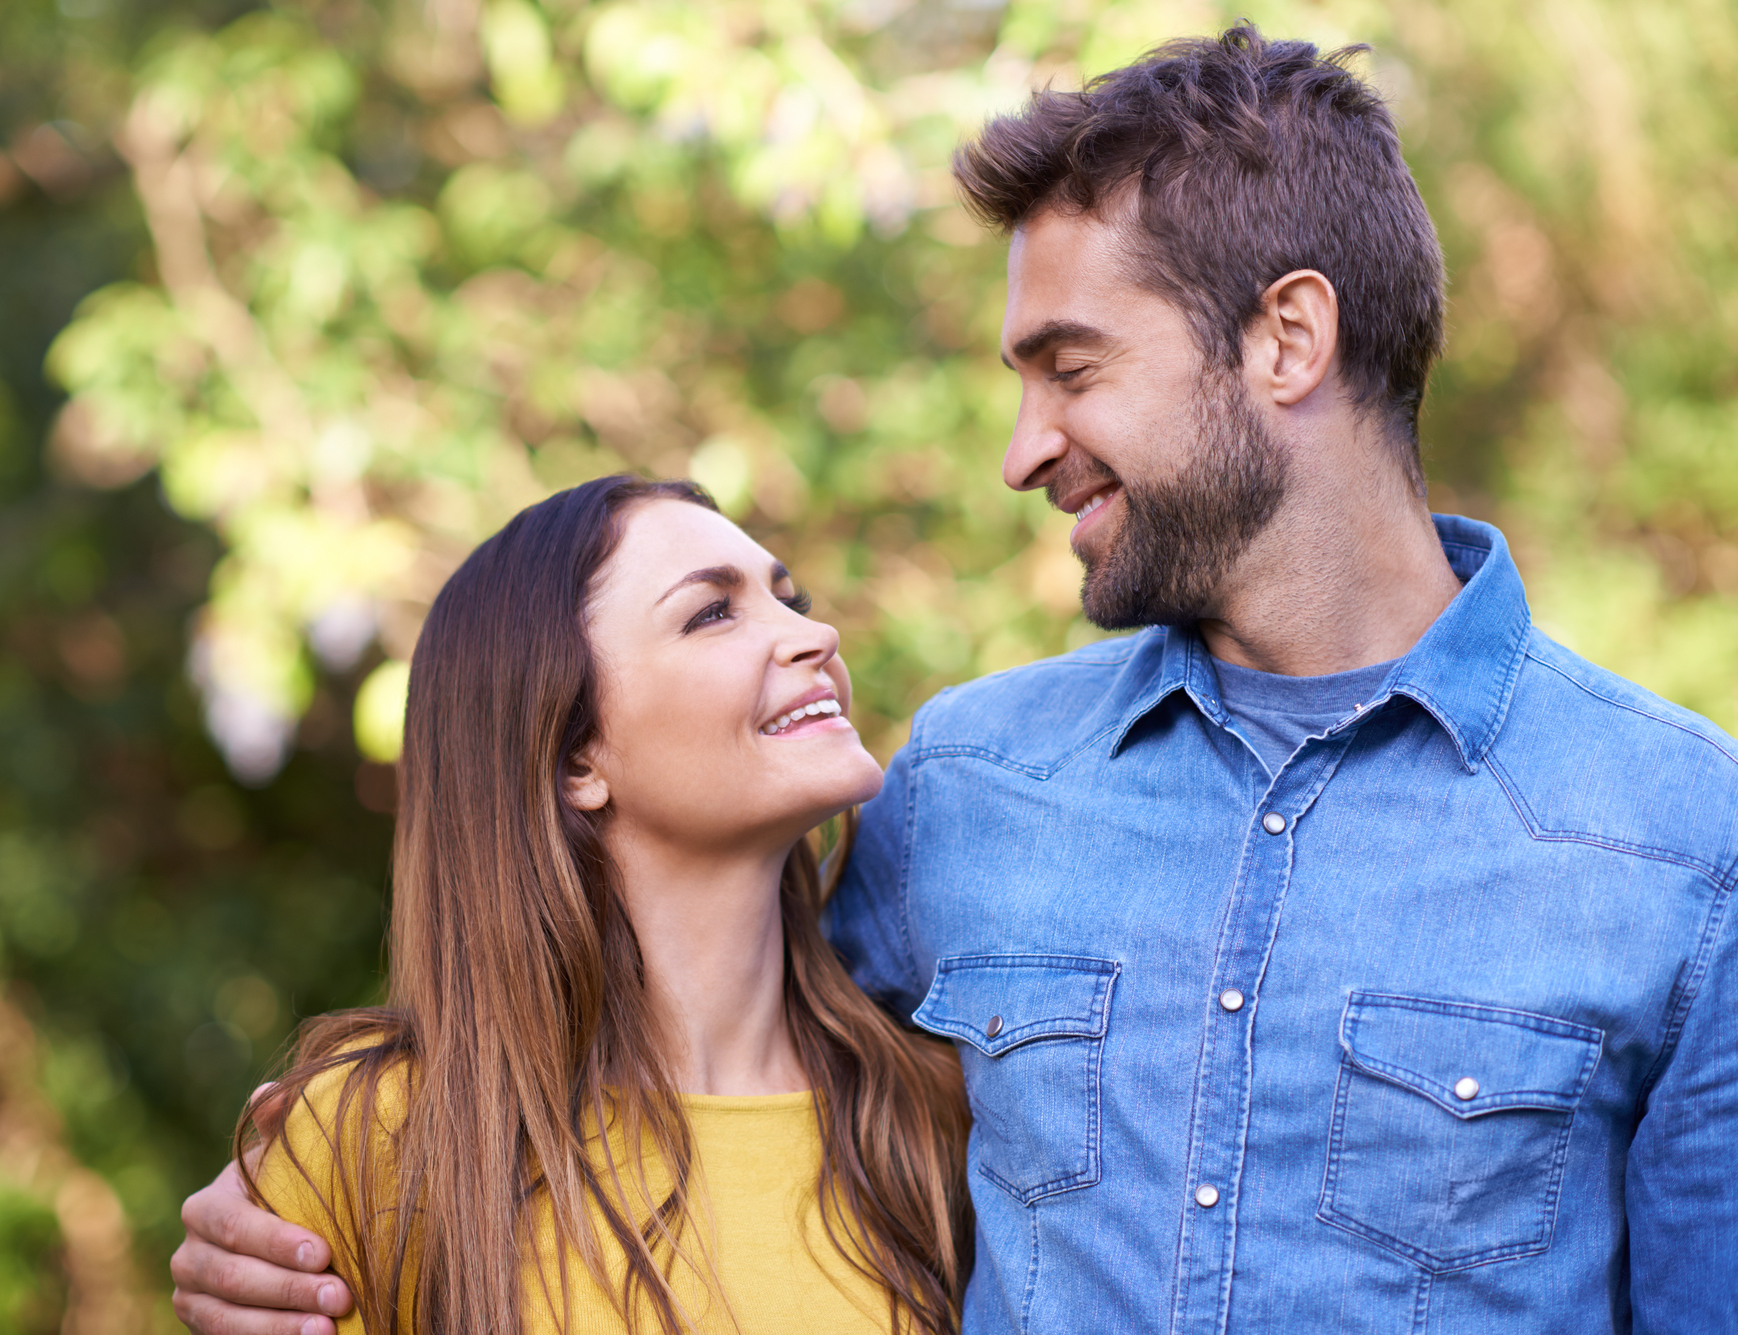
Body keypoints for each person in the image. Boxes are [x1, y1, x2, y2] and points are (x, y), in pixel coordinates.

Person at [172, 25, 1738, 1334]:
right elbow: (661, 1045)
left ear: (1287, 339)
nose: (1023, 451)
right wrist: (297, 1214)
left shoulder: (1679, 835)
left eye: (1072, 368)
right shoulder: (965, 784)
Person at [204, 474, 970, 1335]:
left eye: (788, 598)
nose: (815, 635)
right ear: (576, 759)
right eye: (712, 612)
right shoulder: (389, 1135)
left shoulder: (939, 1116)